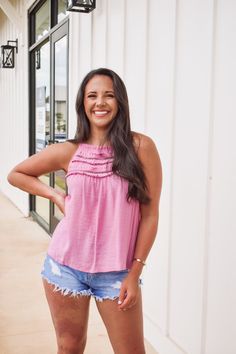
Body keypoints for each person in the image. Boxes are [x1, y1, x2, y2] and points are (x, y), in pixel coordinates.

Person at [7, 68, 162, 354]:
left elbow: (150, 215)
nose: (100, 103)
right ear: (83, 103)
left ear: (120, 103)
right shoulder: (69, 151)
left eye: (109, 96)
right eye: (92, 96)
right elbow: (16, 174)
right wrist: (54, 195)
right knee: (70, 348)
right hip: (64, 268)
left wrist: (135, 271)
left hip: (117, 273)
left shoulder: (141, 148)